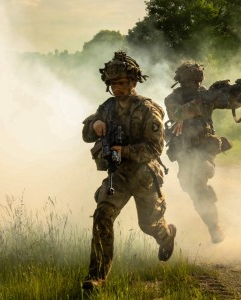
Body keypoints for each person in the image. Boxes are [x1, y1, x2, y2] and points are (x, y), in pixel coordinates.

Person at [81, 51, 176, 290]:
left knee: (148, 225)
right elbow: (86, 135)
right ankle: (97, 277)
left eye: (122, 83)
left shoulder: (147, 109)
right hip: (119, 175)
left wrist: (125, 150)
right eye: (113, 84)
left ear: (133, 83)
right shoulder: (107, 107)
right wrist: (95, 123)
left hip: (144, 175)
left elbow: (155, 148)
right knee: (103, 214)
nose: (117, 89)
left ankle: (166, 236)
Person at [164, 62, 241, 243]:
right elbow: (177, 114)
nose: (194, 84)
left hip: (205, 149)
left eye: (197, 81)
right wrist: (199, 101)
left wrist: (238, 93)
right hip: (184, 150)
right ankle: (209, 218)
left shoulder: (206, 94)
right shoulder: (173, 98)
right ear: (181, 82)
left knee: (198, 178)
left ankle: (214, 227)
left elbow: (232, 103)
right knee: (190, 186)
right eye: (190, 81)